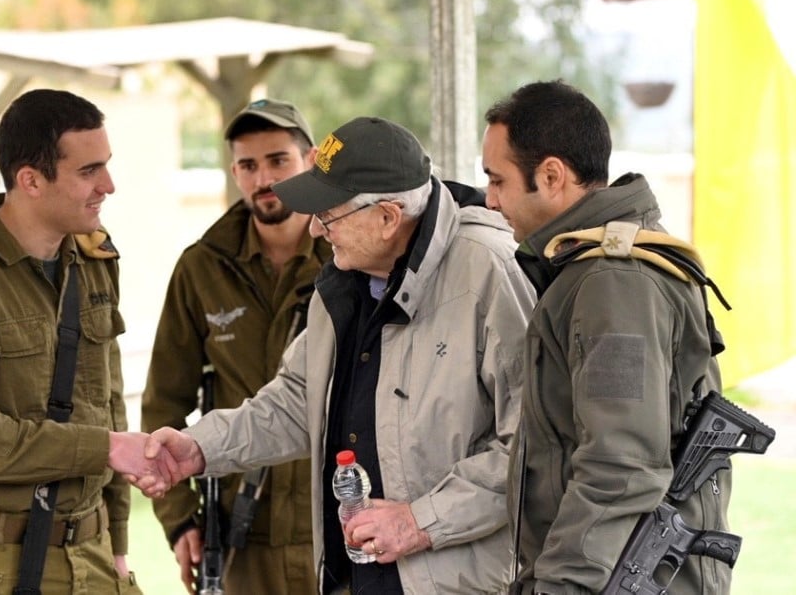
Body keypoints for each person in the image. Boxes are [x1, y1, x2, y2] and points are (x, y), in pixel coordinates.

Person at [135, 116, 536, 593]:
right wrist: (200, 448)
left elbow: (531, 449)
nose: (314, 229)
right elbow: (294, 404)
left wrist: (419, 521)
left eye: (329, 213)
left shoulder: (489, 268)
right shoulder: (344, 280)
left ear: (388, 217)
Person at [481, 80, 732, 594]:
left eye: (497, 180)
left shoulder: (614, 282)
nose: (489, 200)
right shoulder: (589, 270)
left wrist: (560, 586)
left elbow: (621, 467)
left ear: (552, 175)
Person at [0, 88, 158, 595]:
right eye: (88, 171)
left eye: (105, 165)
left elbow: (108, 403)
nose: (108, 185)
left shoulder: (94, 261)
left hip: (94, 555)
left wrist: (118, 538)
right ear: (30, 180)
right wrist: (104, 448)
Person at [140, 99, 329, 594]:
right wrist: (180, 522)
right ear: (234, 172)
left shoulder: (349, 256)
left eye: (278, 160)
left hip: (339, 527)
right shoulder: (202, 268)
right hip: (242, 533)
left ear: (310, 161)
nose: (263, 178)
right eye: (248, 165)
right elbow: (164, 402)